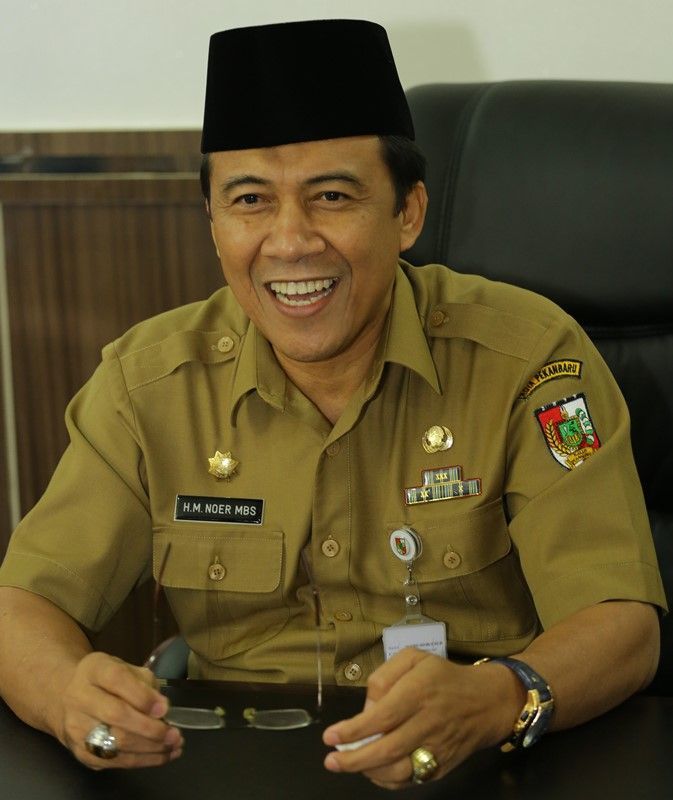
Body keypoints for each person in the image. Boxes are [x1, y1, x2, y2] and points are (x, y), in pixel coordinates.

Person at [0, 18, 666, 789]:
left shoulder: (528, 359)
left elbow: (621, 622)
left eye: (332, 196)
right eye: (250, 200)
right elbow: (24, 607)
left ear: (407, 213)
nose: (289, 241)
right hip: (234, 765)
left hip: (471, 762)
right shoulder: (148, 384)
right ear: (213, 223)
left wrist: (498, 698)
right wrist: (67, 694)